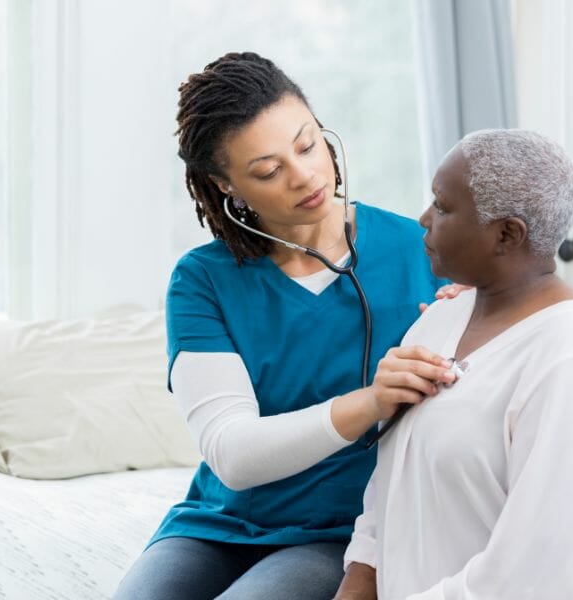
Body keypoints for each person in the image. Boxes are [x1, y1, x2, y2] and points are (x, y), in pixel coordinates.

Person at [114, 52, 461, 600]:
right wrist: (371, 400)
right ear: (227, 187)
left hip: (344, 533)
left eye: (307, 144)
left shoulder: (425, 251)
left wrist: (479, 317)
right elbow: (234, 455)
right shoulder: (203, 280)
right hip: (219, 526)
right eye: (268, 171)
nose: (305, 176)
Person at [335, 129, 573, 600]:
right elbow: (389, 494)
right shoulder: (439, 319)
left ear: (506, 234)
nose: (423, 219)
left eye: (442, 206)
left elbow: (527, 580)